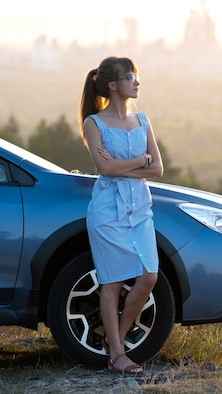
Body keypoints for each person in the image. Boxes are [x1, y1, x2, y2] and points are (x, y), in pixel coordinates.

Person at [78, 56, 163, 374]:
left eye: (137, 76)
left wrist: (127, 163)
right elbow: (104, 168)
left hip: (140, 210)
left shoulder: (143, 121)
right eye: (131, 77)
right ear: (113, 85)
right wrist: (139, 161)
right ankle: (117, 355)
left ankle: (117, 340)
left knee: (148, 277)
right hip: (107, 213)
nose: (137, 81)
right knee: (111, 284)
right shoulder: (94, 123)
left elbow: (157, 168)